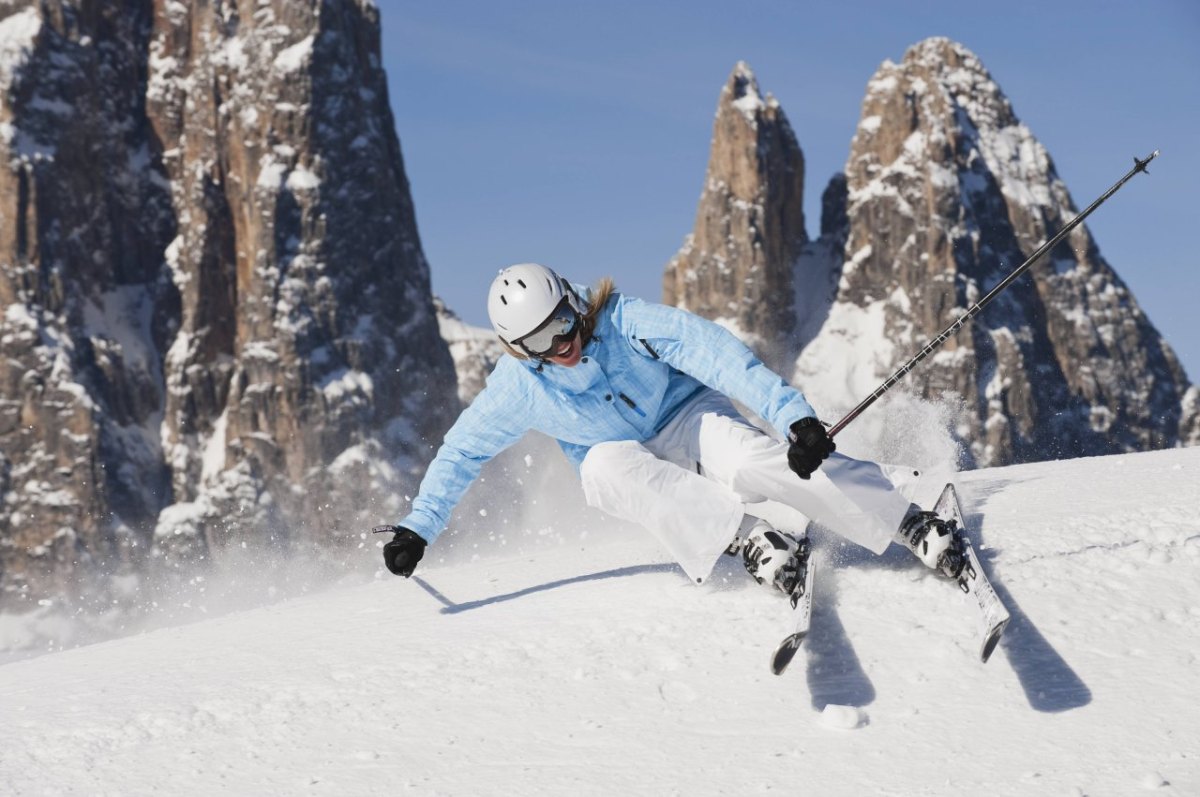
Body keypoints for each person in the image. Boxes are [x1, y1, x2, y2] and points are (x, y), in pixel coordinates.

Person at [376, 263, 963, 596]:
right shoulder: (520, 388)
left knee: (748, 462)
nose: (562, 344)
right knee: (601, 472)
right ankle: (750, 538)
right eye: (539, 342)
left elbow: (719, 356)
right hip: (620, 454)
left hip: (687, 419)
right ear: (518, 349)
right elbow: (461, 453)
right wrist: (417, 530)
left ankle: (908, 516)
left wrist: (796, 419)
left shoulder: (624, 321)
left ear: (572, 301)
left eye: (561, 322)